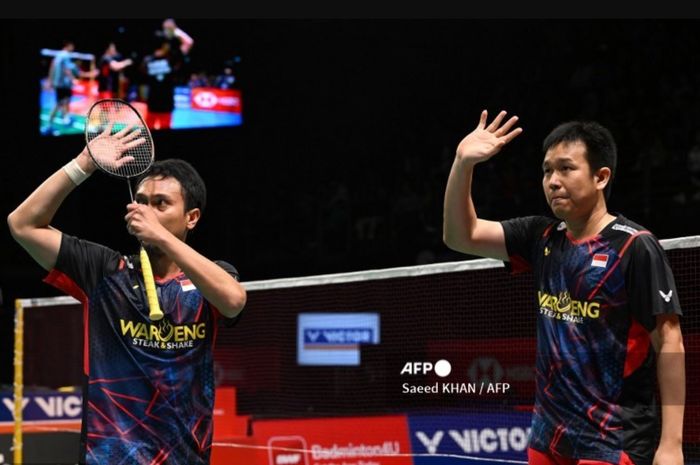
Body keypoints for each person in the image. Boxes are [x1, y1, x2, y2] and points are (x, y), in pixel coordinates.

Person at [443, 110, 685, 465]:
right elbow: (460, 236)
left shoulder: (634, 247)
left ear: (601, 177)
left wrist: (671, 444)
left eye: (566, 168)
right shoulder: (541, 236)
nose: (553, 181)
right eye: (546, 171)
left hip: (610, 442)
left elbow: (669, 341)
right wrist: (463, 163)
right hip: (547, 439)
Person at [7, 134, 247, 464]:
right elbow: (22, 225)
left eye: (161, 204)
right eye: (142, 201)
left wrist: (159, 234)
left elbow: (234, 300)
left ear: (191, 217)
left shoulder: (211, 276)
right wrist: (84, 165)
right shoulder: (105, 271)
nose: (145, 210)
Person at [44, 40, 95, 135]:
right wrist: (73, 79)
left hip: (60, 84)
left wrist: (50, 80)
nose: (73, 48)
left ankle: (65, 119)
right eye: (72, 46)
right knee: (59, 104)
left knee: (65, 100)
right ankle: (49, 126)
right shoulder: (65, 55)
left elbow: (52, 67)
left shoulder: (58, 55)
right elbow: (66, 69)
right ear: (68, 45)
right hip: (63, 84)